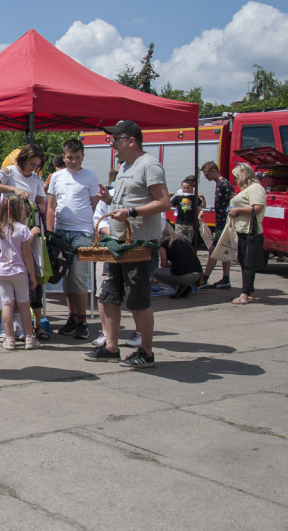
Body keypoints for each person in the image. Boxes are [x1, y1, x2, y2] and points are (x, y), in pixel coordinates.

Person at [84, 120, 170, 369]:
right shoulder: (124, 166)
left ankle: (146, 351)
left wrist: (132, 212)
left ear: (131, 140)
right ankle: (111, 347)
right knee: (108, 295)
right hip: (117, 243)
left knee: (138, 300)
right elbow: (128, 199)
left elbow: (164, 202)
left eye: (116, 139)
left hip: (139, 246)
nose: (112, 144)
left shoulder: (149, 165)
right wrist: (110, 199)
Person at [0, 143, 49, 341]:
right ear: (23, 158)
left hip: (27, 229)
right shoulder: (8, 171)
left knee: (29, 281)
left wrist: (35, 205)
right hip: (7, 233)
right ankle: (8, 330)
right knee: (8, 295)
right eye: (31, 163)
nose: (32, 168)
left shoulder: (36, 178)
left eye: (36, 165)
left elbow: (42, 205)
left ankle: (24, 327)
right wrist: (13, 189)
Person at [45, 138, 101, 340]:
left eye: (77, 158)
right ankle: (73, 318)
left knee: (78, 274)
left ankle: (82, 321)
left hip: (82, 233)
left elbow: (96, 206)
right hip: (61, 233)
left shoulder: (90, 176)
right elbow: (51, 207)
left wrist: (97, 231)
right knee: (65, 276)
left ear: (83, 157)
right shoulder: (56, 177)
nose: (73, 161)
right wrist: (51, 234)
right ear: (63, 156)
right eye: (69, 158)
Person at [90, 173, 143, 350]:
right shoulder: (108, 195)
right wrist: (112, 234)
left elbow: (156, 220)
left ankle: (140, 332)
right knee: (105, 293)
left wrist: (126, 236)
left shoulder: (142, 196)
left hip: (134, 250)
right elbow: (98, 220)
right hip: (108, 250)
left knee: (135, 294)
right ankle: (107, 335)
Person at [0, 196, 39, 351]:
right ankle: (29, 338)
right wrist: (32, 275)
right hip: (19, 271)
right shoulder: (23, 230)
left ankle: (9, 339)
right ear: (19, 210)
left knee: (7, 304)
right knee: (24, 304)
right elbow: (27, 254)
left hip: (2, 272)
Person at [228, 162, 267, 306]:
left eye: (236, 177)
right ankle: (249, 291)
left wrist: (237, 210)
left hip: (251, 230)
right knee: (244, 260)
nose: (235, 180)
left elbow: (258, 207)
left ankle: (244, 294)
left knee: (248, 261)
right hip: (243, 229)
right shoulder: (249, 189)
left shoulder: (256, 188)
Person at [199, 161, 235, 289]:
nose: (206, 177)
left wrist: (229, 216)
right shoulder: (220, 184)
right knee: (224, 250)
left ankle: (205, 278)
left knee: (213, 251)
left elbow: (233, 200)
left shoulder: (224, 184)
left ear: (214, 171)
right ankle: (226, 279)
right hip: (221, 223)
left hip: (224, 224)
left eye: (207, 174)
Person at [154, 224, 203, 297]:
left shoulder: (164, 244)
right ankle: (184, 287)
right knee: (177, 269)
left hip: (184, 275)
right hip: (197, 273)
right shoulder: (183, 239)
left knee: (154, 271)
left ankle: (178, 286)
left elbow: (163, 264)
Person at [170, 175, 205, 248]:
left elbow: (202, 206)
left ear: (192, 188)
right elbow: (169, 205)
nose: (185, 189)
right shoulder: (178, 196)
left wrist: (203, 198)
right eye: (184, 188)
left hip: (190, 223)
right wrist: (169, 197)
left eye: (187, 188)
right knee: (178, 240)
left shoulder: (194, 197)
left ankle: (187, 254)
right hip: (180, 222)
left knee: (188, 242)